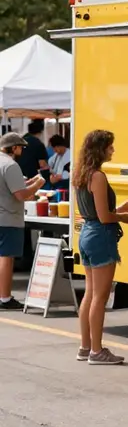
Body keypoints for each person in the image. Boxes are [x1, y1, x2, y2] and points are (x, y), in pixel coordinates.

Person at [73, 130, 128, 364]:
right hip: (100, 236)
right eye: (110, 146)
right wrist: (125, 217)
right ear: (100, 149)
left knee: (90, 293)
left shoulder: (80, 174)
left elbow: (96, 213)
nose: (113, 150)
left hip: (87, 233)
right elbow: (104, 217)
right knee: (100, 296)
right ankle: (97, 351)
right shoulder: (97, 176)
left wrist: (118, 210)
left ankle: (85, 346)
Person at [0, 133, 45, 310]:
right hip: (8, 217)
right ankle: (4, 297)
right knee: (6, 258)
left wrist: (29, 182)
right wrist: (38, 184)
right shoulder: (10, 165)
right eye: (21, 147)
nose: (22, 151)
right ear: (14, 147)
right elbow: (21, 195)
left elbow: (12, 187)